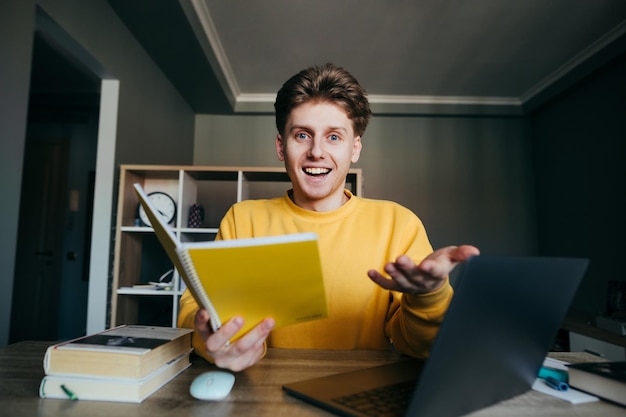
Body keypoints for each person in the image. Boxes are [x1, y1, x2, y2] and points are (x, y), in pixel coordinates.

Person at [178, 63, 479, 371]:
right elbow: (194, 306)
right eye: (302, 135)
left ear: (355, 147)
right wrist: (210, 338)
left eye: (334, 137)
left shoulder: (399, 224)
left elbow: (420, 347)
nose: (317, 152)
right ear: (281, 146)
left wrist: (427, 296)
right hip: (258, 395)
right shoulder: (243, 220)